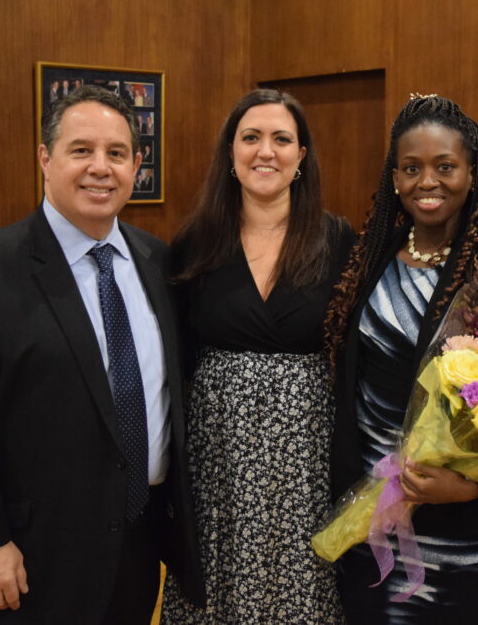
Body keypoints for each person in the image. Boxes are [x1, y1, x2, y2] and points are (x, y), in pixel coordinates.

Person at [0, 85, 205, 623]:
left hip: (135, 547)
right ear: (45, 158)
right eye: (81, 150)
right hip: (24, 557)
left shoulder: (157, 261)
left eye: (116, 153)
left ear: (137, 165)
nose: (100, 167)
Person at [325, 94, 478, 623]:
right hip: (366, 517)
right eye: (411, 168)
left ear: (471, 171)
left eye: (445, 167)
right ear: (394, 176)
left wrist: (475, 490)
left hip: (458, 527)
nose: (427, 182)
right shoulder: (367, 258)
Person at [159, 89, 352, 623]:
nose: (265, 151)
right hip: (216, 459)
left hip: (307, 460)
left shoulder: (339, 240)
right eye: (250, 138)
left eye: (281, 139)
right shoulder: (194, 242)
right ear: (230, 153)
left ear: (302, 156)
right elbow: (174, 357)